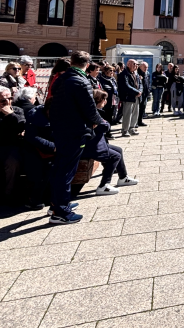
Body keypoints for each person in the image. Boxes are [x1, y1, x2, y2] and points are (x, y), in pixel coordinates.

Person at [47, 51, 104, 224]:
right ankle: (60, 212)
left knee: (60, 167)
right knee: (66, 170)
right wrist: (100, 122)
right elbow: (89, 107)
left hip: (61, 128)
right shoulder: (80, 81)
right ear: (87, 64)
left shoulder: (61, 78)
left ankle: (56, 203)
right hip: (74, 131)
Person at [85, 90, 139, 195]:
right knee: (114, 156)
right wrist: (103, 124)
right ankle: (103, 185)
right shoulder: (92, 113)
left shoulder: (96, 111)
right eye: (103, 99)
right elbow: (105, 126)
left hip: (98, 143)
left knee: (118, 150)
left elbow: (104, 125)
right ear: (97, 101)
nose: (105, 102)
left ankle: (123, 177)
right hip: (91, 146)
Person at [118, 59, 142, 137]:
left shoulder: (136, 73)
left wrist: (140, 91)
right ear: (128, 64)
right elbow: (126, 85)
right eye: (134, 64)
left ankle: (132, 128)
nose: (136, 66)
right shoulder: (124, 74)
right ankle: (125, 130)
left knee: (135, 113)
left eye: (137, 64)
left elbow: (140, 84)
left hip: (137, 96)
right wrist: (136, 92)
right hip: (128, 97)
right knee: (127, 114)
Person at [136, 61, 150, 127]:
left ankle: (140, 121)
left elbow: (148, 82)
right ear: (140, 66)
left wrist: (149, 90)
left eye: (147, 67)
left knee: (142, 108)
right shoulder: (137, 73)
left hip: (145, 93)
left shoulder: (147, 73)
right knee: (137, 108)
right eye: (144, 67)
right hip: (139, 93)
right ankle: (135, 122)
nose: (146, 68)